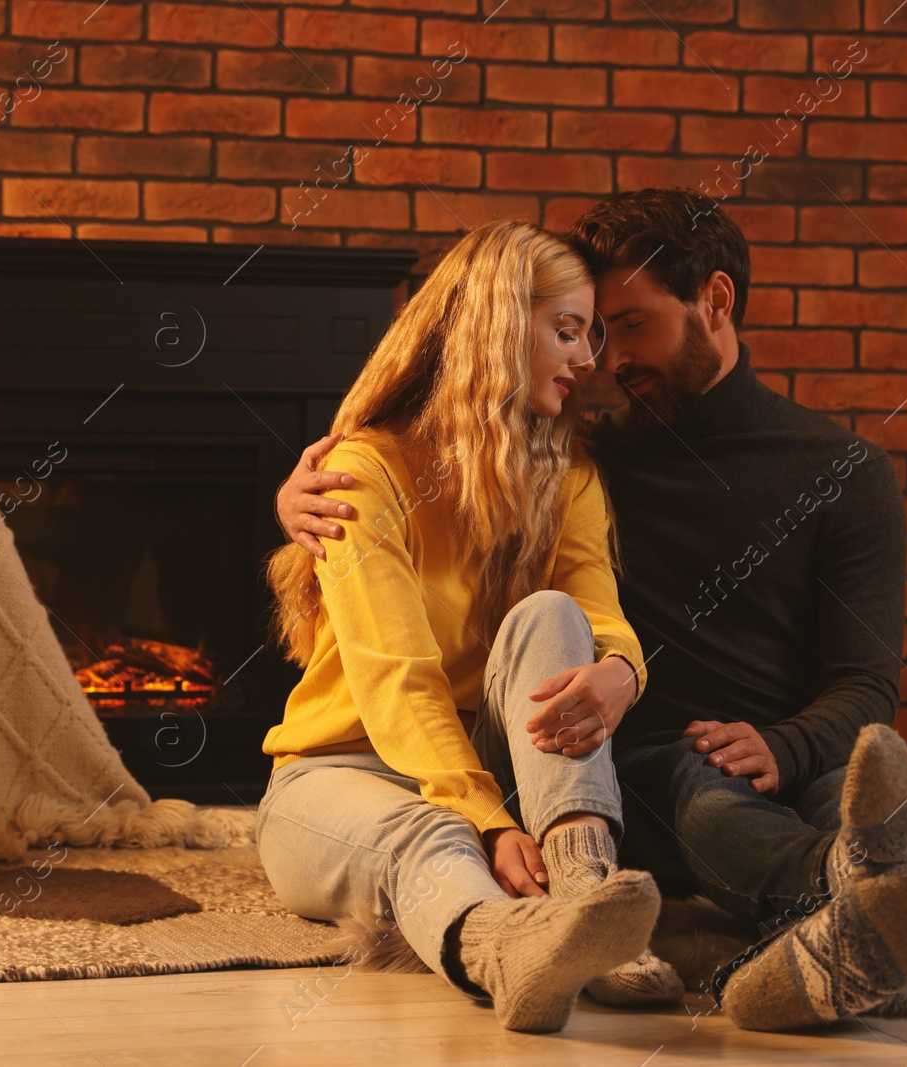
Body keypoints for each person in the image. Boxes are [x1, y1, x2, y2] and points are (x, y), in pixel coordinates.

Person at [274, 189, 907, 1032]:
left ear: (715, 300)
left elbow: (864, 681)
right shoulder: (573, 446)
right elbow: (415, 636)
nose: (602, 359)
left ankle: (804, 950)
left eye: (624, 325)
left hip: (768, 751)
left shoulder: (841, 471)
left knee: (851, 799)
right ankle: (670, 893)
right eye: (584, 331)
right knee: (688, 785)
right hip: (620, 763)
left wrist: (774, 741)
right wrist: (301, 499)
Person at [255, 220, 681, 1035]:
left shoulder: (572, 476)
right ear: (493, 324)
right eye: (566, 331)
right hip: (338, 772)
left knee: (550, 614)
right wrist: (484, 816)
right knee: (431, 832)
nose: (589, 359)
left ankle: (584, 885)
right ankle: (512, 952)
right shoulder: (365, 475)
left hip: (484, 756)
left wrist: (624, 669)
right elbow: (397, 679)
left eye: (592, 334)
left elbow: (597, 614)